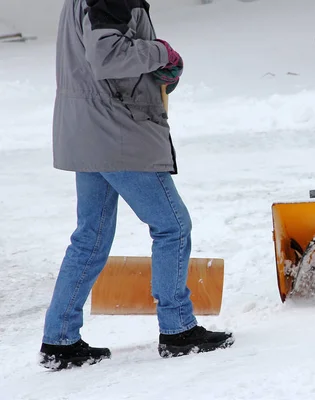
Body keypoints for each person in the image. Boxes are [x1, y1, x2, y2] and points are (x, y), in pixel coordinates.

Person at [39, 0, 234, 371]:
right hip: (118, 132)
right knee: (172, 225)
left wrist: (160, 71)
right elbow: (107, 55)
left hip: (89, 130)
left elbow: (102, 60)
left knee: (90, 237)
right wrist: (162, 52)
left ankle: (60, 339)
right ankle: (178, 330)